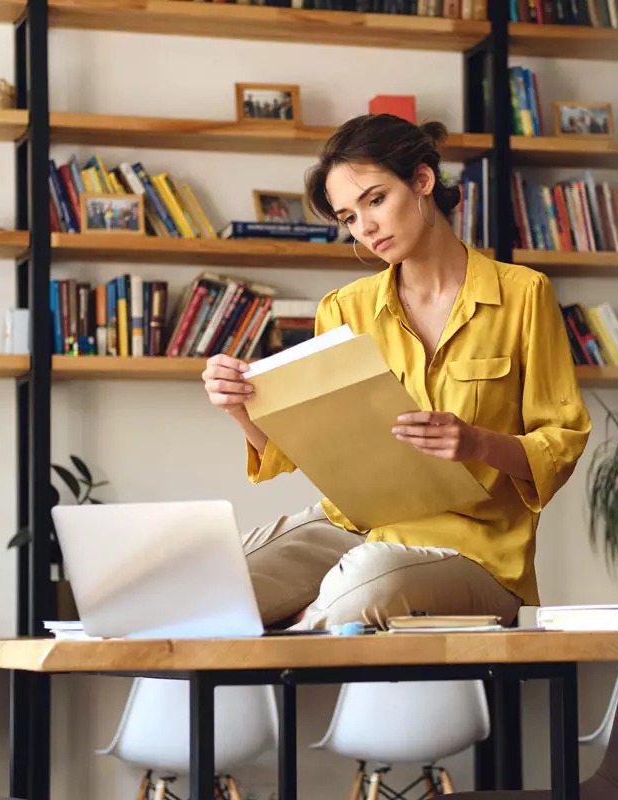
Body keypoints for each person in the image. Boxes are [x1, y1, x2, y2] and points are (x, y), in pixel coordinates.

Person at [201, 114, 591, 630]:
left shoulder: (524, 295)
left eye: (375, 200)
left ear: (422, 181)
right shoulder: (343, 308)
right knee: (208, 586)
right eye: (348, 216)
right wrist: (239, 407)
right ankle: (310, 621)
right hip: (355, 528)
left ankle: (307, 623)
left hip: (477, 550)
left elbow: (560, 443)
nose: (365, 227)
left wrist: (475, 443)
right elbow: (304, 448)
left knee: (365, 582)